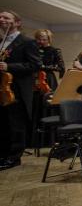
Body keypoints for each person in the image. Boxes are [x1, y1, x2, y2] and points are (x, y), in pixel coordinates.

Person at [0, 11, 41, 170]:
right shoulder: (1, 41)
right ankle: (2, 154)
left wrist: (9, 66)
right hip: (1, 89)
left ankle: (14, 157)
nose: (2, 19)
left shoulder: (27, 41)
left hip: (16, 89)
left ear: (17, 22)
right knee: (2, 123)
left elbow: (35, 65)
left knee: (15, 124)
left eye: (6, 18)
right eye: (1, 17)